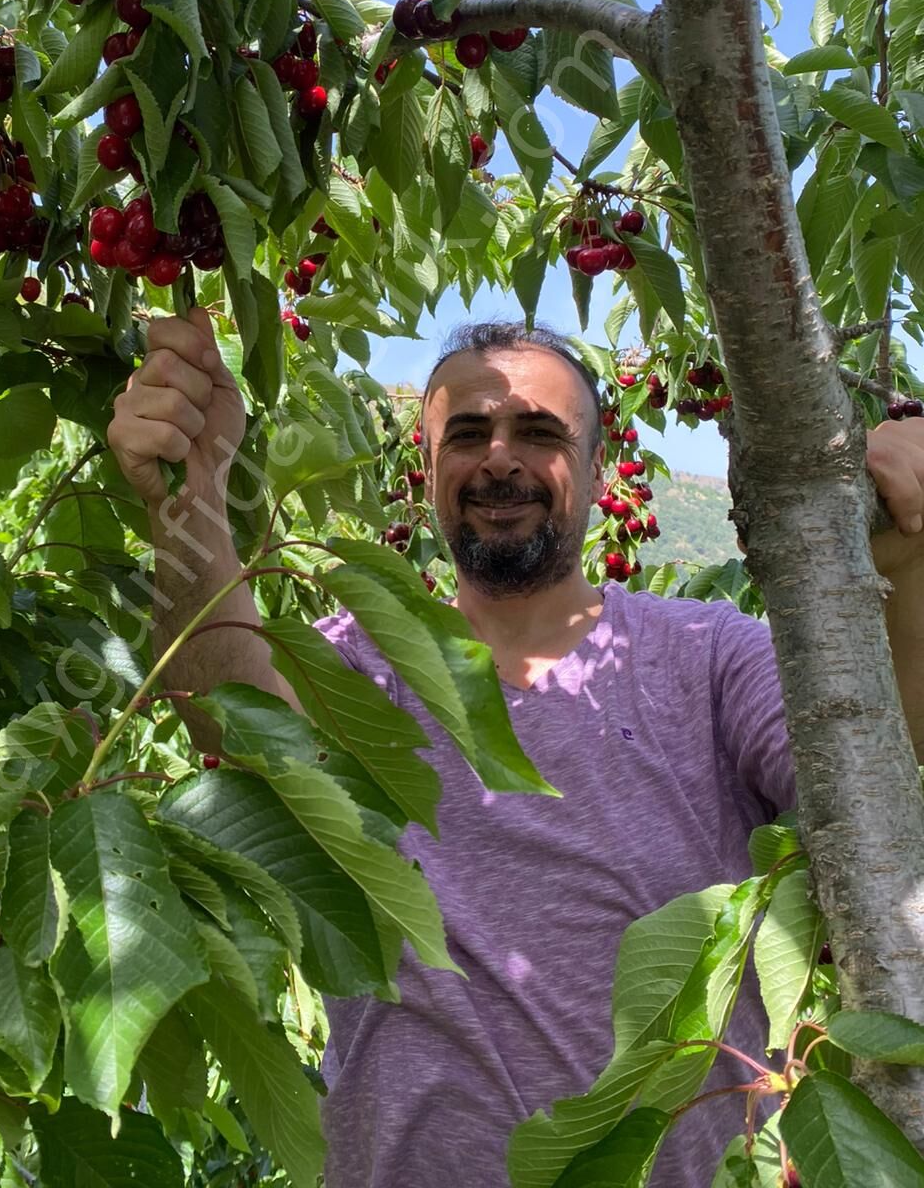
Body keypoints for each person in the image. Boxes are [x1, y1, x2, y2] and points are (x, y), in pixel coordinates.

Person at [108, 307, 924, 1188]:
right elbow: (221, 711)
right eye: (468, 433)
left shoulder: (708, 656)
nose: (500, 457)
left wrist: (909, 557)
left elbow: (877, 761)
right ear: (425, 471)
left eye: (539, 431)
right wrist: (191, 492)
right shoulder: (343, 668)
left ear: (597, 464)